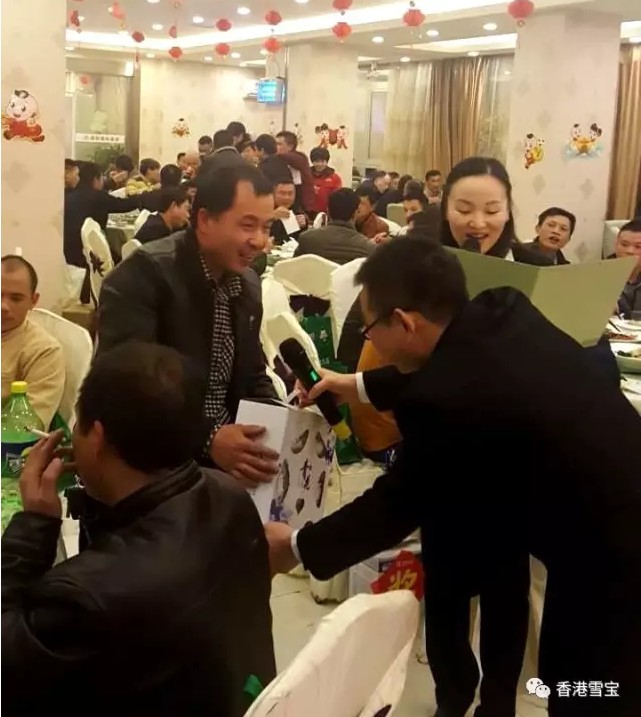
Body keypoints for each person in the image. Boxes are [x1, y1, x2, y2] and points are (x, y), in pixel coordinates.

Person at [266, 237, 641, 717]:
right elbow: (461, 370)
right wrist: (353, 385)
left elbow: (395, 504)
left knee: (587, 690)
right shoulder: (503, 310)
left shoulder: (443, 403)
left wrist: (296, 546)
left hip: (612, 562)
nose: (368, 341)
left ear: (405, 322)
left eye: (369, 329)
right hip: (609, 521)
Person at [1, 342, 276, 716]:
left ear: (97, 437)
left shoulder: (85, 594)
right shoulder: (228, 494)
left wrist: (34, 526)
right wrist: (96, 489)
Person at [97, 165, 279, 487]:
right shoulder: (145, 276)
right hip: (154, 462)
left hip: (225, 459)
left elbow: (252, 374)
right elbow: (126, 391)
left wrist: (284, 423)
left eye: (267, 228)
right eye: (248, 225)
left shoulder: (247, 284)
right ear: (205, 220)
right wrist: (208, 438)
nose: (260, 241)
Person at [438, 157, 619, 383]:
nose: (478, 223)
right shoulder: (422, 264)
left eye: (492, 211)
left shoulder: (539, 269)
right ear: (445, 210)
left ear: (507, 212)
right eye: (464, 210)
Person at [1, 256, 65, 429]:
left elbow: (28, 427)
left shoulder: (44, 351)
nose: (3, 306)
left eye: (16, 299)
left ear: (33, 301)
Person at [63, 161, 147, 269]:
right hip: (92, 256)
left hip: (68, 254)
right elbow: (125, 205)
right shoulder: (98, 197)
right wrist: (145, 196)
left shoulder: (66, 195)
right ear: (95, 179)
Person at [295, 188, 374, 264]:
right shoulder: (367, 247)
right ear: (356, 213)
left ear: (328, 211)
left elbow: (294, 267)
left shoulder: (307, 239)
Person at [275, 130, 315, 213]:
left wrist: (273, 155)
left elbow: (294, 159)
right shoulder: (282, 160)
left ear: (290, 146)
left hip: (302, 206)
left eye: (279, 144)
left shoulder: (299, 158)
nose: (275, 147)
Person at [611, 219, 641, 318]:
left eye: (638, 246)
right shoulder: (598, 275)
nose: (630, 251)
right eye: (624, 244)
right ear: (615, 245)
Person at [271, 178, 307, 246]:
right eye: (282, 193)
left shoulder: (296, 209)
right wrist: (271, 217)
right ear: (273, 194)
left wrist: (304, 225)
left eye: (290, 194)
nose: (286, 197)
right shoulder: (264, 208)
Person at [310, 146, 342, 216]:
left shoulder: (335, 178)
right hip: (307, 212)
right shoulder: (306, 176)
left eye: (322, 161)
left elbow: (337, 199)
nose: (319, 164)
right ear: (312, 161)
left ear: (327, 162)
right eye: (317, 161)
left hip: (327, 214)